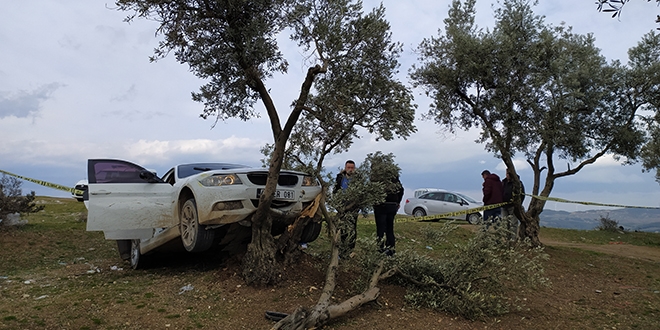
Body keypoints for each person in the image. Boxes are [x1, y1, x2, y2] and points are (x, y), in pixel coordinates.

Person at [373, 171, 404, 257]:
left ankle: (380, 250)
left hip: (381, 205)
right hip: (392, 205)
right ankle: (391, 250)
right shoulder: (395, 178)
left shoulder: (378, 177)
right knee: (390, 229)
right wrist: (397, 202)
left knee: (380, 229)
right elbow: (401, 190)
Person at [334, 160, 358, 258]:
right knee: (342, 228)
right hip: (342, 206)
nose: (350, 170)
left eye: (352, 168)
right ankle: (341, 250)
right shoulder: (340, 177)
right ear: (345, 167)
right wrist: (336, 203)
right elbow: (335, 190)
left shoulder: (357, 178)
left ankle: (350, 250)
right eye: (349, 167)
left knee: (352, 228)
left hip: (353, 206)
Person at [501, 169, 525, 239]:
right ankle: (506, 239)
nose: (507, 175)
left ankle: (513, 239)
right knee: (505, 223)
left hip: (513, 207)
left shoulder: (518, 183)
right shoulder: (503, 182)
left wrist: (518, 204)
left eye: (509, 174)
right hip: (504, 206)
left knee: (513, 223)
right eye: (507, 173)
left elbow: (522, 194)